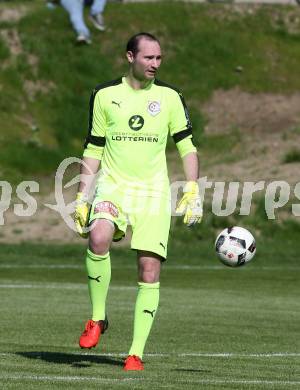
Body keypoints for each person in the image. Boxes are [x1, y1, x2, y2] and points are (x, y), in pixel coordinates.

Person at [74, 32, 203, 371]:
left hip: (153, 193)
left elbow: (187, 146)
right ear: (130, 57)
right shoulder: (104, 95)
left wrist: (192, 187)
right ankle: (98, 318)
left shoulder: (170, 97)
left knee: (149, 269)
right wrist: (81, 197)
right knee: (98, 237)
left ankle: (134, 353)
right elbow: (93, 148)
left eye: (159, 58)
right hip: (114, 187)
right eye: (149, 58)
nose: (155, 64)